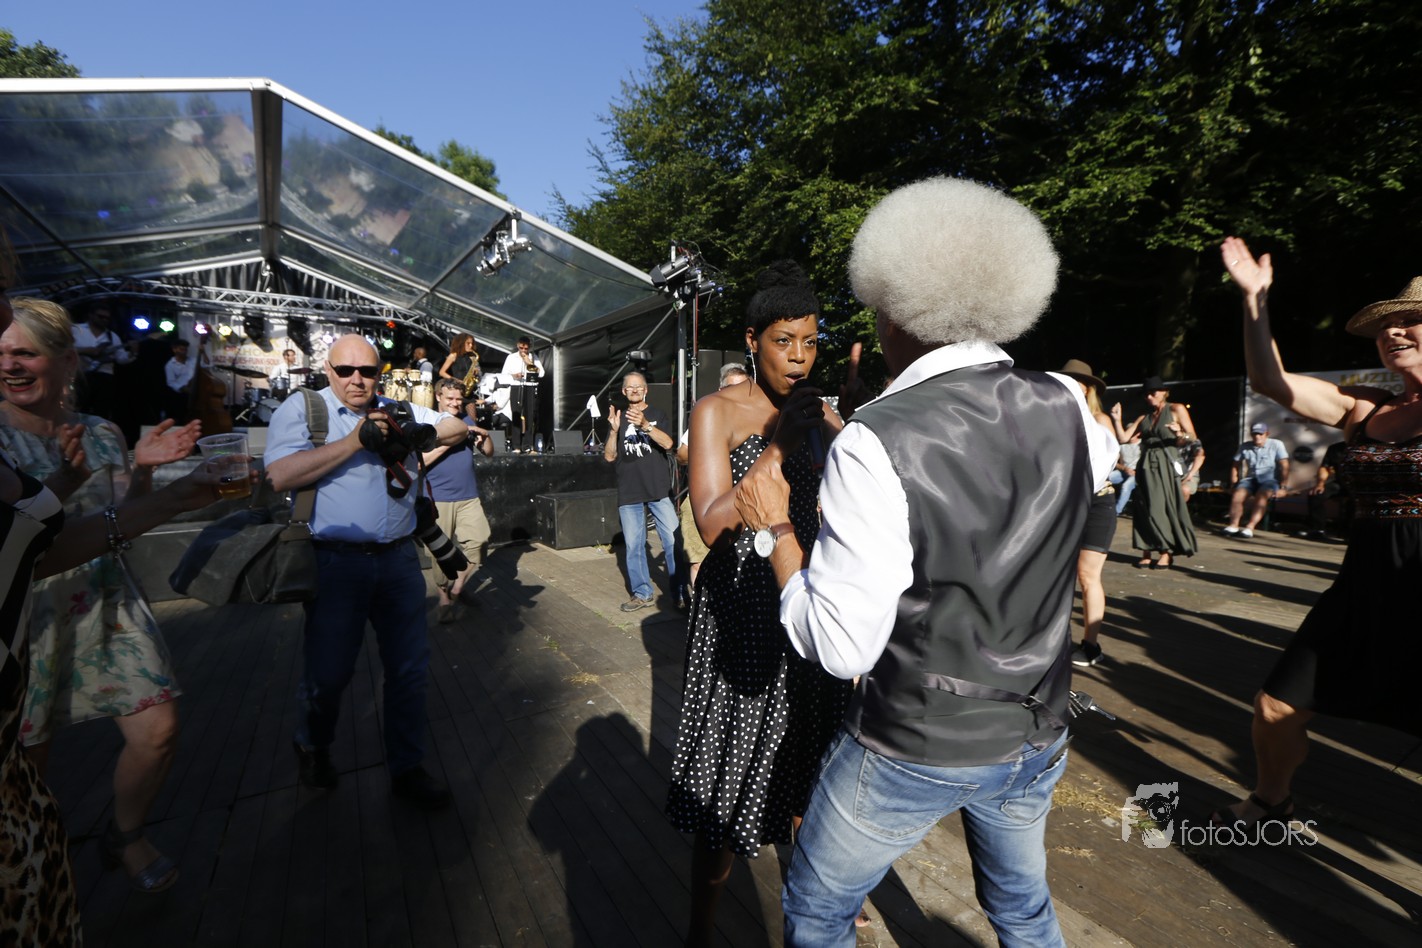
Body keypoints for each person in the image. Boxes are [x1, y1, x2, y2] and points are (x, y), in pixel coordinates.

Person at [733, 178, 1117, 948]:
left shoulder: (875, 438)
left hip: (912, 744)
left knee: (816, 913)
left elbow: (840, 645)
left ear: (895, 308)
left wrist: (776, 529)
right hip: (1038, 729)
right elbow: (1090, 477)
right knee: (1024, 913)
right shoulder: (1070, 406)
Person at [0, 261, 224, 944]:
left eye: (25, 353)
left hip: (102, 599)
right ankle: (43, 867)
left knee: (158, 730)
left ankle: (124, 834)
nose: (9, 364)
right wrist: (62, 483)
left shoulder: (99, 431)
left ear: (66, 360)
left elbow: (121, 516)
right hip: (25, 616)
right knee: (27, 767)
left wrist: (147, 472)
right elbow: (26, 541)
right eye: (3, 353)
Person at [667, 261, 852, 946]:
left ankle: (813, 910)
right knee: (726, 784)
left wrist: (835, 439)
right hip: (742, 617)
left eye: (810, 342)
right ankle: (700, 929)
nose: (799, 357)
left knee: (806, 774)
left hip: (804, 607)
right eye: (783, 341)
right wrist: (779, 445)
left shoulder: (824, 416)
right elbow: (714, 523)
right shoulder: (716, 411)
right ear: (752, 341)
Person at [1213, 238, 1422, 830]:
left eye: (1411, 321)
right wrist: (1255, 300)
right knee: (1276, 706)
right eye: (1385, 327)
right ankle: (1271, 801)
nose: (1393, 331)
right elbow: (1270, 380)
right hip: (1363, 588)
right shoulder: (1366, 408)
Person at [264, 334, 469, 810]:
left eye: (368, 371)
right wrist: (355, 441)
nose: (357, 379)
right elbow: (279, 476)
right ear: (328, 370)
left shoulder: (396, 409)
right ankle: (312, 743)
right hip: (334, 562)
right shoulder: (307, 409)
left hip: (399, 560)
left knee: (409, 671)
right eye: (345, 370)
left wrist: (418, 434)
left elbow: (458, 426)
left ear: (380, 373)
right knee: (330, 673)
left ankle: (407, 768)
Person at [603, 370, 682, 611]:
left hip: (658, 489)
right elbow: (609, 456)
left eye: (639, 386)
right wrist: (614, 431)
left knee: (673, 542)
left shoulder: (657, 414)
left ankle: (679, 594)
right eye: (630, 387)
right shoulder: (618, 418)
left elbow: (668, 444)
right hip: (630, 491)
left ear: (645, 390)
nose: (635, 390)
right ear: (624, 391)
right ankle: (642, 593)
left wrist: (645, 425)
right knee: (634, 546)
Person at [1058, 360, 1120, 668]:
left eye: (1079, 381)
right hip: (1066, 502)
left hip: (1097, 503)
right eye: (1067, 379)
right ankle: (1054, 640)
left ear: (1089, 388)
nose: (1073, 384)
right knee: (1060, 573)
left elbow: (1106, 463)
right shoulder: (1056, 417)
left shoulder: (1099, 419)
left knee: (1087, 575)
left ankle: (1091, 645)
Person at [675, 362, 750, 595]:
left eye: (743, 387)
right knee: (699, 561)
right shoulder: (710, 415)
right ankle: (700, 606)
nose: (737, 394)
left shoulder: (757, 416)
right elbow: (682, 455)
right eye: (731, 388)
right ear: (720, 390)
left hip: (744, 502)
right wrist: (713, 447)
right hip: (706, 501)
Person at [422, 378, 493, 623]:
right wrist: (453, 439)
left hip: (468, 496)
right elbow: (420, 462)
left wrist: (484, 436)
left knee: (480, 540)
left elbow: (489, 452)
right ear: (438, 397)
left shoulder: (466, 420)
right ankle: (444, 598)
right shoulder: (427, 422)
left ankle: (458, 588)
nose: (455, 403)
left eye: (459, 400)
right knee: (439, 554)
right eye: (450, 398)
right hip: (437, 498)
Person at [1114, 376, 1199, 569]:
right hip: (1145, 464)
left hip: (1165, 463)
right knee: (1143, 506)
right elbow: (1124, 438)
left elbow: (1192, 437)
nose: (1149, 397)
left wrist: (1179, 433)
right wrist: (1117, 419)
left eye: (1153, 393)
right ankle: (1146, 550)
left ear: (1164, 392)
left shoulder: (1176, 409)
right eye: (1146, 394)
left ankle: (1165, 551)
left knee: (1159, 506)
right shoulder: (1144, 417)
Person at [1221, 422, 1290, 538]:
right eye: (1254, 434)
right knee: (1237, 495)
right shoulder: (1245, 446)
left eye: (1260, 434)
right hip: (1250, 479)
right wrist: (1233, 483)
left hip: (1270, 480)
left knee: (1261, 496)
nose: (1257, 437)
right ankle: (1233, 525)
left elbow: (1285, 465)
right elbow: (1235, 465)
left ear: (1267, 434)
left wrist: (1283, 487)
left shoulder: (1276, 444)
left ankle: (1250, 527)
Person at [71, 302, 135, 415]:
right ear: (90, 315)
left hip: (104, 376)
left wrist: (133, 352)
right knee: (79, 407)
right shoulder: (75, 330)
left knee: (102, 409)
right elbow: (61, 348)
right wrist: (84, 350)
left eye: (107, 318)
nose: (104, 320)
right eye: (100, 316)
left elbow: (121, 359)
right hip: (79, 374)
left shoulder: (112, 336)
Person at [501, 336, 545, 452]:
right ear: (517, 346)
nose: (523, 351)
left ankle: (528, 445)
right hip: (516, 386)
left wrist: (529, 363)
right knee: (516, 415)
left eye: (526, 348)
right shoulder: (511, 357)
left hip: (530, 386)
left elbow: (541, 374)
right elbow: (503, 375)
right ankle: (516, 446)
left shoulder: (533, 357)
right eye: (521, 348)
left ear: (529, 347)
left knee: (530, 416)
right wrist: (514, 376)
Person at [1301, 440, 1347, 540]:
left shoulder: (1366, 448)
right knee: (1316, 494)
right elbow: (1324, 468)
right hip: (1340, 483)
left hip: (1360, 486)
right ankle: (1317, 530)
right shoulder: (1335, 448)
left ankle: (1348, 533)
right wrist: (1320, 484)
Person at [163, 336, 194, 421]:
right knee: (181, 417)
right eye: (181, 349)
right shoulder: (170, 365)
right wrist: (183, 388)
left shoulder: (193, 360)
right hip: (180, 395)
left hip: (194, 392)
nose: (184, 352)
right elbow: (171, 382)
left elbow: (207, 365)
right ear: (174, 350)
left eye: (185, 350)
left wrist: (202, 352)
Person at [1111, 431, 1142, 514]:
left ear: (1138, 433)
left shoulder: (1142, 445)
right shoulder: (1121, 445)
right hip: (1124, 472)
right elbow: (1114, 462)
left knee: (1126, 486)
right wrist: (1124, 468)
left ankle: (1116, 511)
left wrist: (1138, 471)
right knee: (1106, 478)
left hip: (1137, 474)